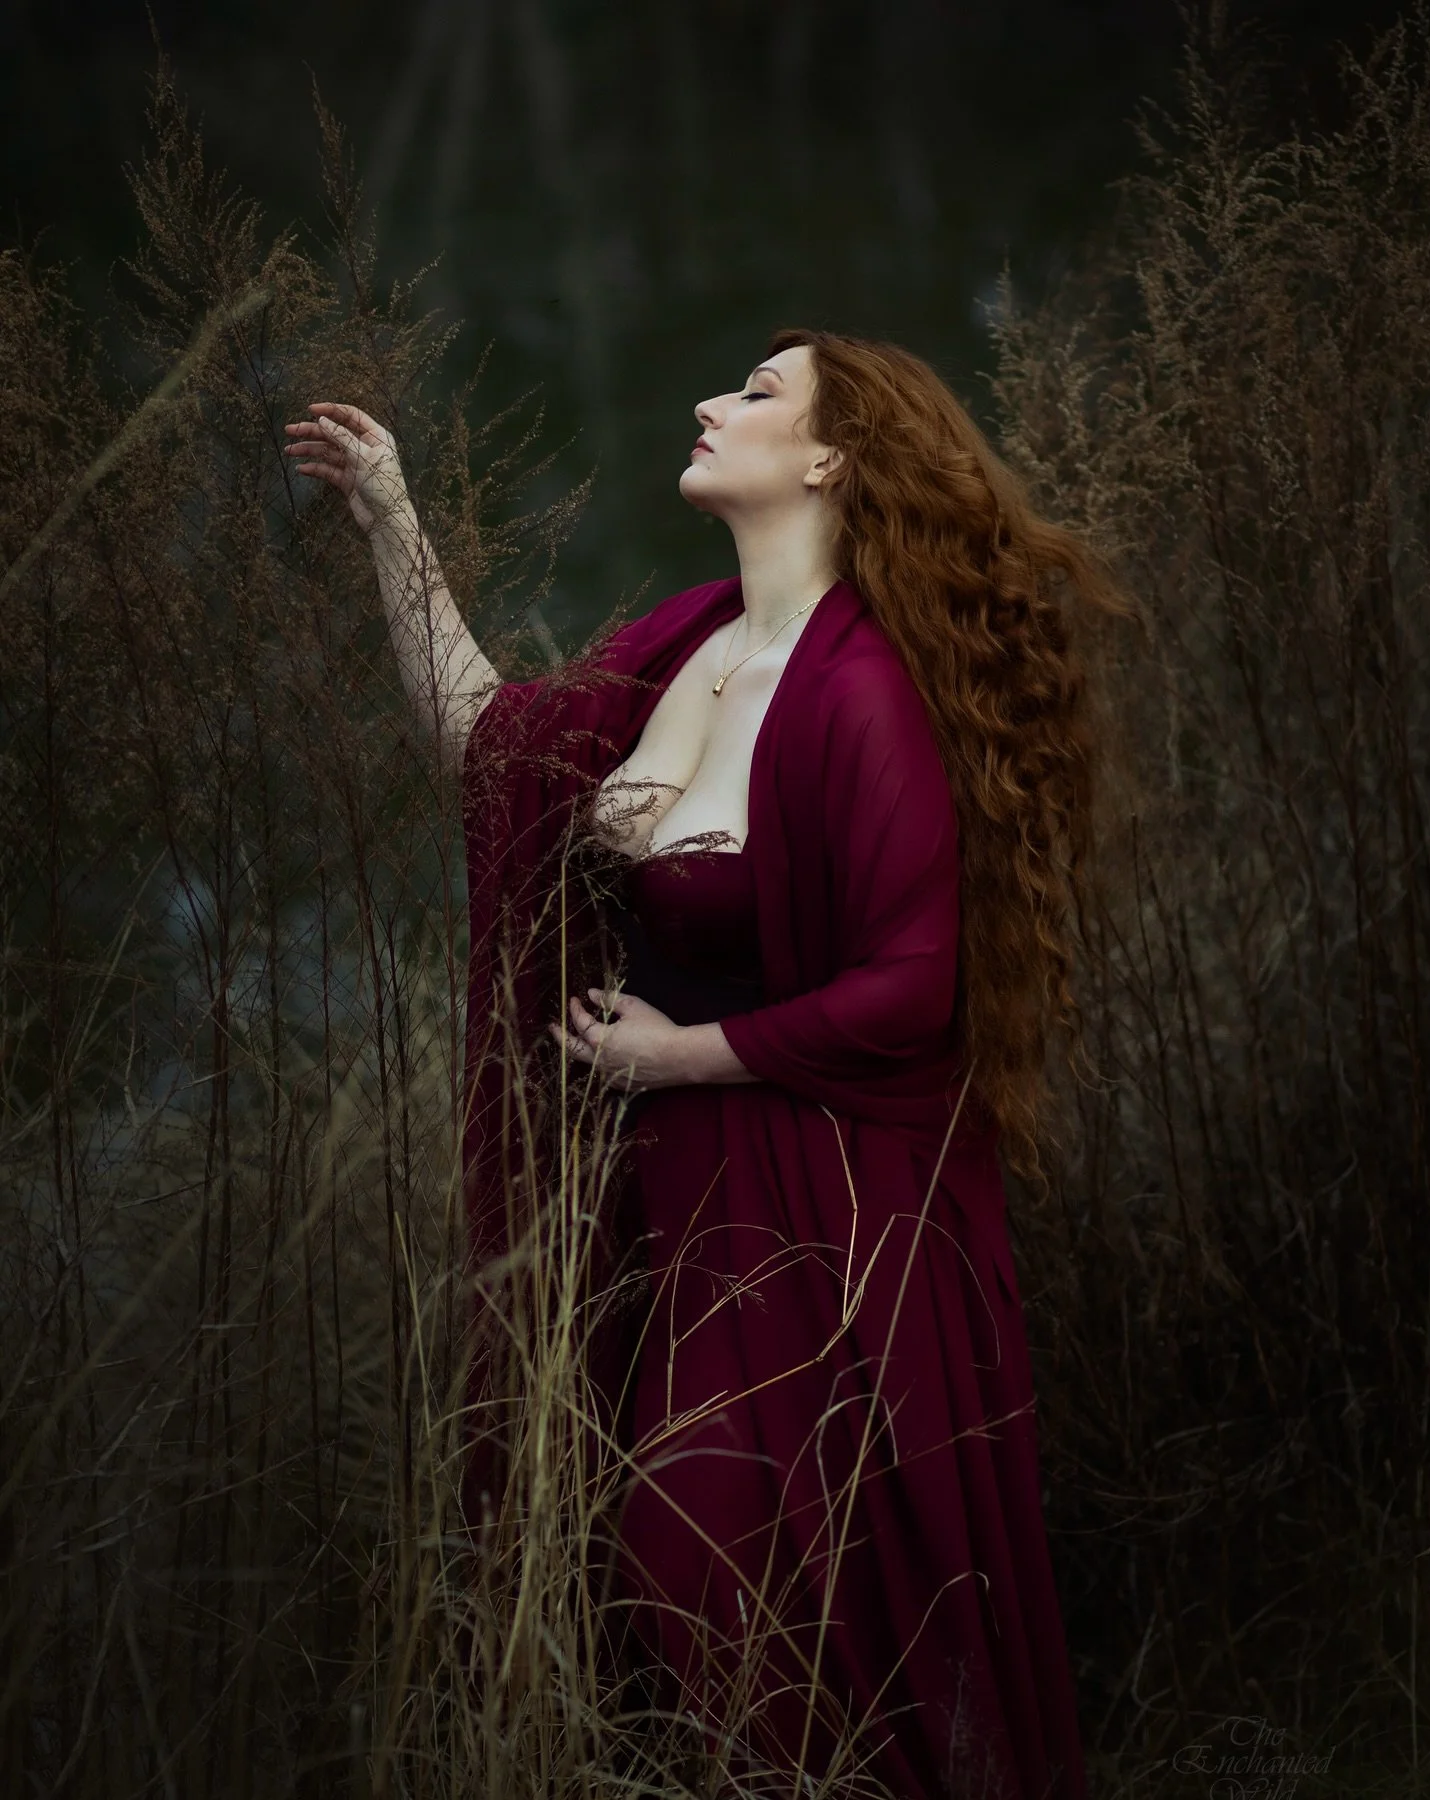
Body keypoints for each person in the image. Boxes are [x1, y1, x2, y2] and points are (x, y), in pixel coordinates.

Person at [285, 329, 1128, 1800]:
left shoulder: (862, 690)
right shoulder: (691, 642)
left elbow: (914, 991)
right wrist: (390, 518)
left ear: (831, 460)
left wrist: (685, 1054)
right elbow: (490, 753)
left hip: (824, 1229)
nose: (710, 403)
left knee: (724, 1570)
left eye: (757, 392)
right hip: (672, 1221)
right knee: (662, 1595)